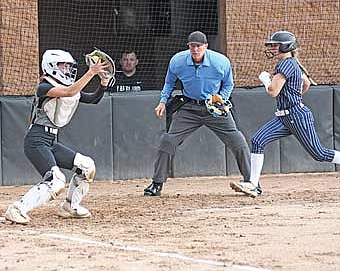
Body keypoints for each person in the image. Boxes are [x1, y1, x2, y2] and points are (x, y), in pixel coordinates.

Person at [4, 49, 111, 224]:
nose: (67, 69)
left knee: (87, 167)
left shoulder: (69, 87)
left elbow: (92, 99)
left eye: (69, 66)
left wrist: (103, 84)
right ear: (52, 66)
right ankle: (17, 209)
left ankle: (70, 207)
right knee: (56, 180)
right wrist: (91, 72)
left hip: (51, 141)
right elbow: (69, 92)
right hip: (36, 140)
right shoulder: (44, 86)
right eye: (63, 66)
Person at [230, 31, 340, 197]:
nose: (273, 48)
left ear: (286, 46)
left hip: (296, 116)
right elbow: (306, 82)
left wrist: (265, 78)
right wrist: (294, 95)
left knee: (319, 153)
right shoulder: (291, 63)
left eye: (276, 45)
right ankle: (253, 185)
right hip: (284, 117)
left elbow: (273, 91)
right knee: (258, 140)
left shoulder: (285, 64)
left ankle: (253, 184)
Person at [143, 31, 252, 197]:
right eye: (192, 46)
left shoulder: (220, 62)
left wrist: (220, 100)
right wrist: (163, 101)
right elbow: (169, 82)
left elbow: (228, 84)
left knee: (238, 140)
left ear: (206, 47)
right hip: (189, 107)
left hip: (214, 108)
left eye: (198, 46)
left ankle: (251, 181)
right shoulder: (178, 61)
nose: (195, 49)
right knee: (168, 141)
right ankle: (157, 184)